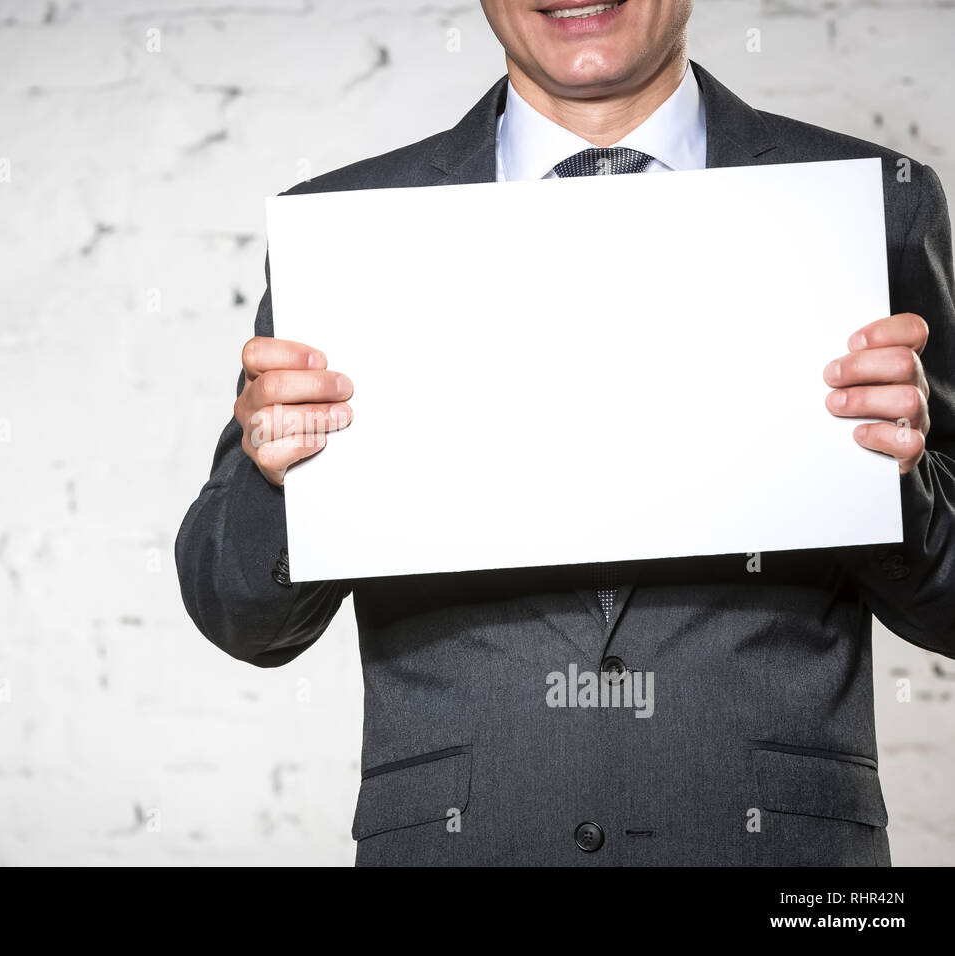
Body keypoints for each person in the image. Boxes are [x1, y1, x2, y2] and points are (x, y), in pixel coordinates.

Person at [175, 0, 955, 865]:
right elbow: (237, 614)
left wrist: (898, 474)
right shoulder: (345, 227)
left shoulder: (877, 205)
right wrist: (275, 479)